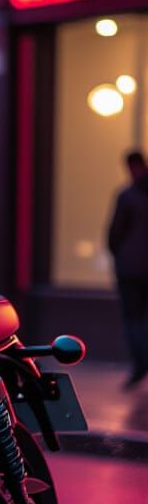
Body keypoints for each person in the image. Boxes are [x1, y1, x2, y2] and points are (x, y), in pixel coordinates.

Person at [107, 149, 148, 389]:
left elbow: (114, 234)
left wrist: (120, 256)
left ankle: (141, 363)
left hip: (130, 270)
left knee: (133, 318)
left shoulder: (127, 196)